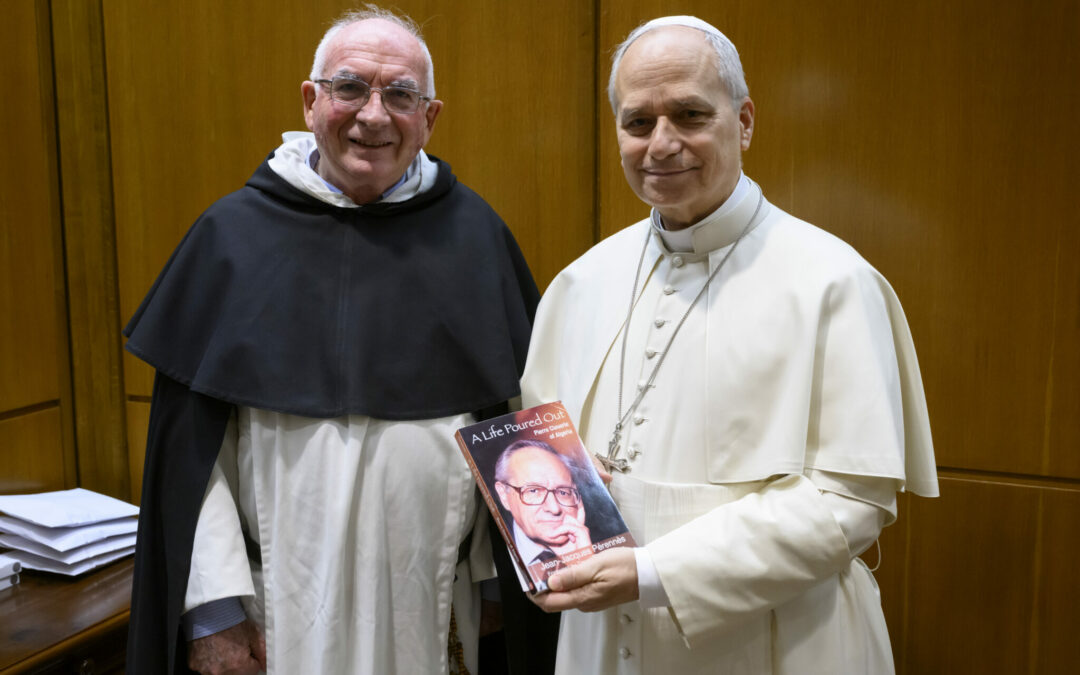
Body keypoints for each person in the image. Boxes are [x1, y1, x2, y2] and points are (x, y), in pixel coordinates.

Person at [123, 6, 540, 674]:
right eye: (350, 88)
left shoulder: (478, 240)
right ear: (312, 100)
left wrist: (495, 586)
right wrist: (215, 615)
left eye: (400, 95)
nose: (373, 116)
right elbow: (190, 464)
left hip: (434, 606)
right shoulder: (230, 241)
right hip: (274, 614)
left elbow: (512, 430)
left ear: (430, 117)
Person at [520, 15, 939, 674]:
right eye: (637, 123)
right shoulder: (582, 281)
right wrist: (562, 479)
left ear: (743, 121)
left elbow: (850, 502)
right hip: (604, 636)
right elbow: (541, 435)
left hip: (777, 639)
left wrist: (655, 572)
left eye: (690, 115)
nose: (661, 144)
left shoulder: (834, 280)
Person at [494, 440, 593, 580]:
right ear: (504, 495)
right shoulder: (492, 549)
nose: (554, 508)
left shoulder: (590, 546)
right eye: (534, 491)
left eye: (563, 492)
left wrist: (581, 563)